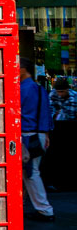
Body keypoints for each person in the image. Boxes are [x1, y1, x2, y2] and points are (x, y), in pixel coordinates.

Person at [21, 67, 54, 221]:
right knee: (28, 172)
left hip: (27, 135)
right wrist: (46, 134)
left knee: (31, 173)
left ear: (23, 69)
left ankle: (44, 209)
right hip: (40, 134)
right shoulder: (40, 89)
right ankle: (26, 204)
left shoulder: (21, 89)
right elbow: (47, 112)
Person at [45, 77, 77, 191]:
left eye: (62, 91)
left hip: (71, 128)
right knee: (56, 155)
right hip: (56, 128)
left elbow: (72, 114)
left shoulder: (74, 97)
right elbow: (49, 110)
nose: (60, 94)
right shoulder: (52, 94)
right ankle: (56, 182)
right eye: (58, 91)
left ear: (68, 89)